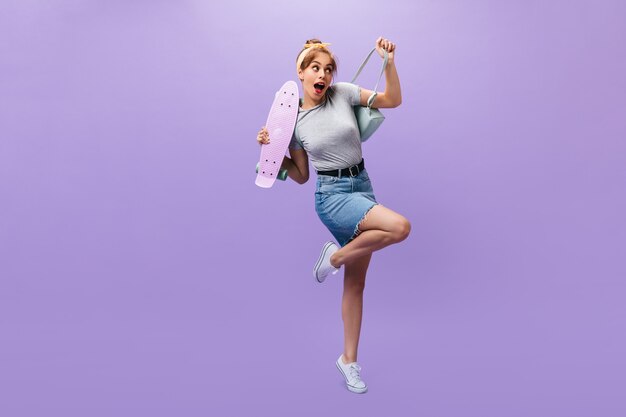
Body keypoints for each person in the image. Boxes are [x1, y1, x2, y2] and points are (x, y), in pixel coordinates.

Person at [256, 37, 410, 394]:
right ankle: (335, 257)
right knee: (399, 227)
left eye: (328, 68)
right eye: (315, 68)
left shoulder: (342, 92)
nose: (323, 74)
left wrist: (389, 63)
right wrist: (270, 148)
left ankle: (348, 361)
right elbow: (300, 176)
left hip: (363, 185)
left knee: (356, 285)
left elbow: (393, 100)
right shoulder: (293, 122)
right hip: (333, 197)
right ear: (301, 72)